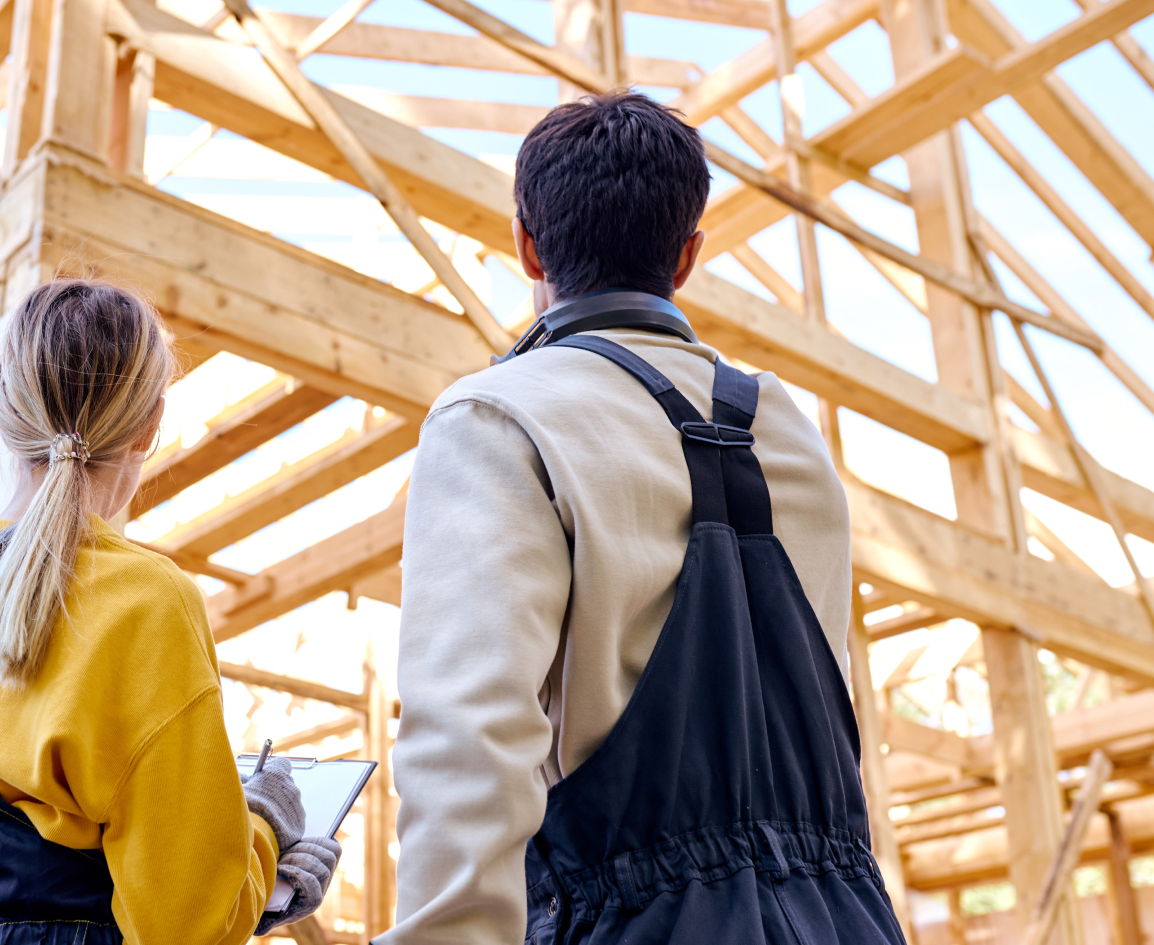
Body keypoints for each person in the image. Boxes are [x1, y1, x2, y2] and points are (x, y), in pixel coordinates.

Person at [384, 92, 904, 944]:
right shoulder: (790, 429)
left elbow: (469, 740)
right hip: (845, 916)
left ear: (525, 243)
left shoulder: (499, 415)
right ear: (688, 255)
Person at [0, 279, 340, 945]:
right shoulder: (148, 600)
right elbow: (184, 923)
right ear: (149, 427)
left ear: (3, 409)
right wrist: (259, 832)